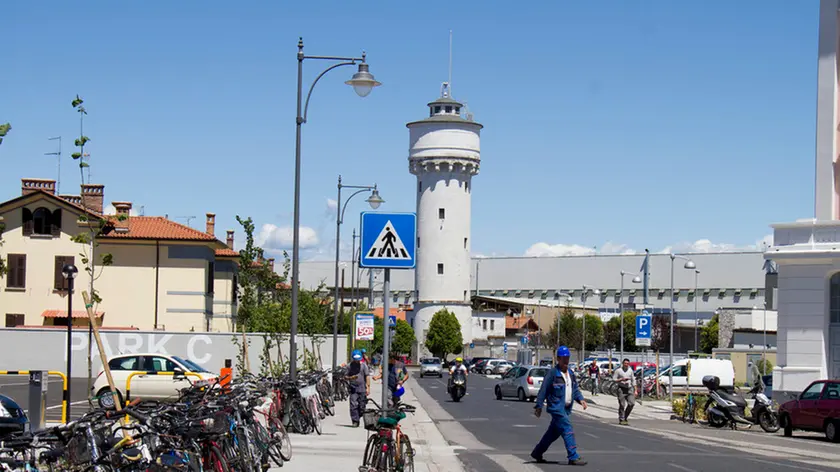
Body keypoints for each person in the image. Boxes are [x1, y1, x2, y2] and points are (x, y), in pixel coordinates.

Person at [531, 345, 588, 466]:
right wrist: (539, 406)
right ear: (558, 359)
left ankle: (537, 452)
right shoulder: (552, 373)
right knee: (567, 429)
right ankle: (573, 456)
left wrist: (581, 400)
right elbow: (543, 390)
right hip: (556, 408)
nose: (566, 361)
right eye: (563, 358)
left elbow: (575, 390)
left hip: (566, 408)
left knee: (552, 434)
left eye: (567, 358)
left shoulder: (571, 374)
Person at [346, 350, 370, 428]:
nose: (357, 361)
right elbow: (345, 376)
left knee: (362, 405)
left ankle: (359, 414)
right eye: (355, 359)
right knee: (353, 405)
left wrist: (368, 387)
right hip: (353, 388)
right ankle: (355, 421)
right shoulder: (349, 366)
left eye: (358, 359)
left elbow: (367, 376)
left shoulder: (364, 365)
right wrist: (350, 378)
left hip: (362, 388)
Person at [613, 358, 636, 425]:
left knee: (631, 403)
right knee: (622, 405)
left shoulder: (630, 370)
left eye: (627, 364)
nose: (626, 365)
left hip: (629, 389)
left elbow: (633, 380)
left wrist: (635, 389)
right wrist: (621, 379)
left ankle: (625, 417)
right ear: (623, 363)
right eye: (625, 363)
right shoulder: (618, 371)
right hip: (621, 389)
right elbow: (614, 379)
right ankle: (622, 419)